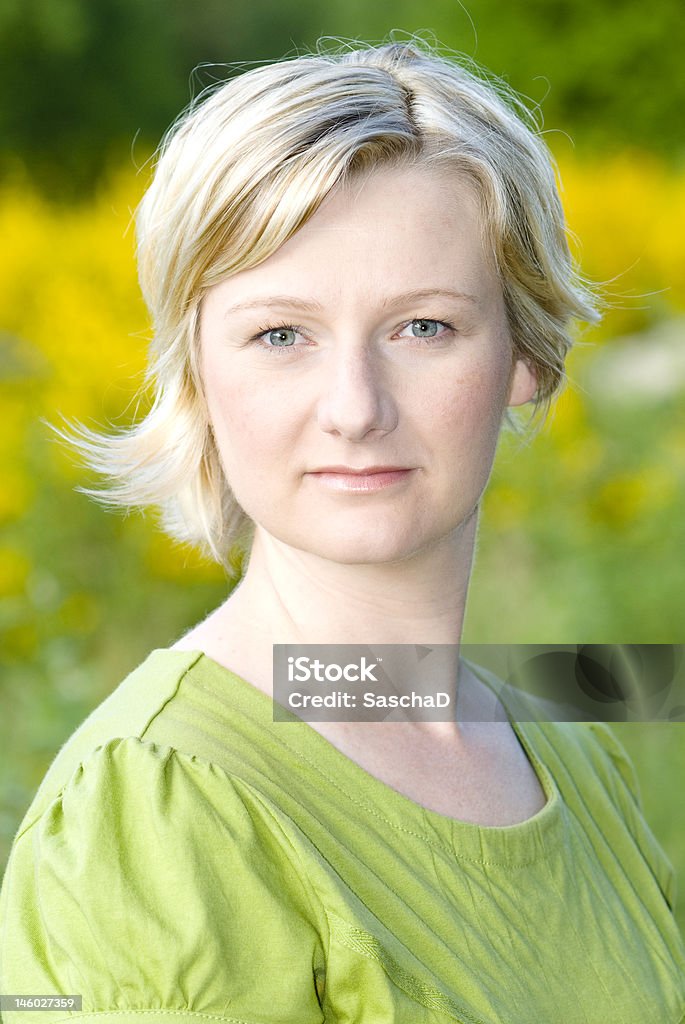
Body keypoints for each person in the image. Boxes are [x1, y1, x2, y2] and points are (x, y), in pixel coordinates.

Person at [1, 37, 683, 1023]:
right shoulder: (154, 808)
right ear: (195, 374)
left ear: (525, 355)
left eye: (423, 328)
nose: (354, 408)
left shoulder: (571, 749)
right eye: (281, 335)